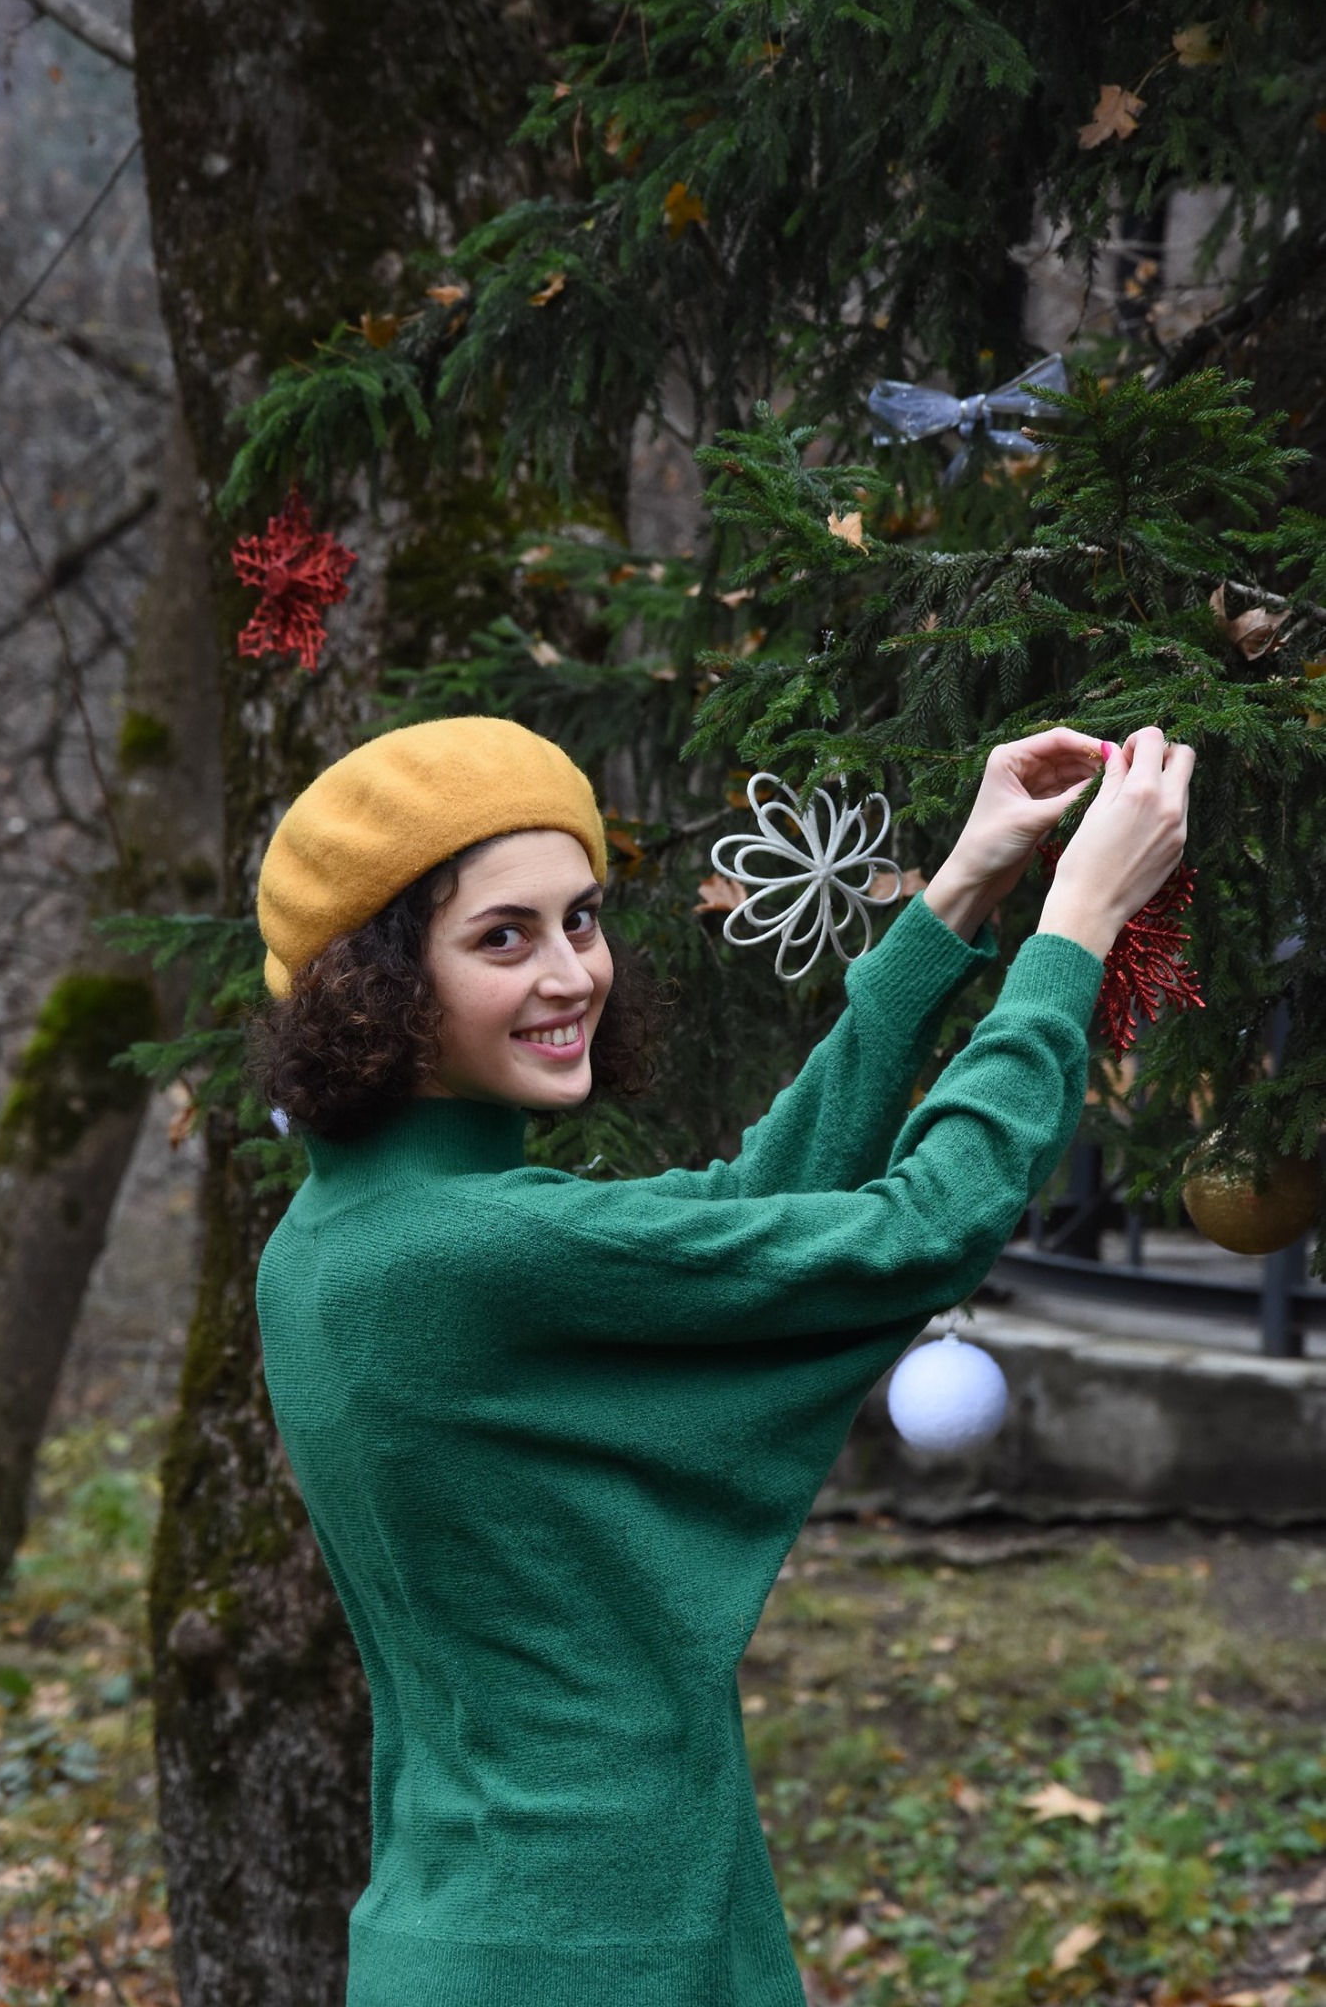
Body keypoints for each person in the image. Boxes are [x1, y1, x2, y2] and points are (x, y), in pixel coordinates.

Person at [252, 713, 1192, 2007]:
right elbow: (918, 1232)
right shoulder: (462, 1252)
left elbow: (751, 1207)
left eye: (582, 919)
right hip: (595, 1939)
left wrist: (962, 891)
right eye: (501, 938)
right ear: (376, 987)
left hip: (483, 1917)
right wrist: (1072, 931)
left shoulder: (332, 1238)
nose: (572, 974)